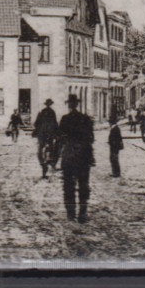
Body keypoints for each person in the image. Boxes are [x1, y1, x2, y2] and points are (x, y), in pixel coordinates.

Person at [59, 94, 95, 222]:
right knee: (83, 185)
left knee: (68, 185)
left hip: (69, 155)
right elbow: (91, 139)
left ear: (69, 105)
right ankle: (82, 212)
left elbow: (60, 139)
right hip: (83, 156)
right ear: (77, 104)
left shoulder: (64, 119)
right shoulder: (85, 119)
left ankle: (70, 212)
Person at [33, 98, 59, 178]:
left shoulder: (42, 112)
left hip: (42, 134)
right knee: (50, 149)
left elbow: (36, 123)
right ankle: (50, 162)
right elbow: (55, 124)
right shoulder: (52, 112)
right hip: (48, 134)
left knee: (40, 151)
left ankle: (44, 164)